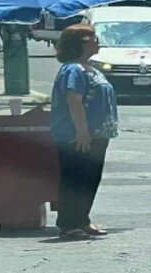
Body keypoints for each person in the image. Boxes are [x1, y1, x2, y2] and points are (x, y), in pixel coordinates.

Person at [51, 24, 119, 239]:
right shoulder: (73, 69)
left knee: (90, 179)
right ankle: (68, 223)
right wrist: (81, 131)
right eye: (92, 37)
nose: (97, 40)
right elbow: (74, 99)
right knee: (75, 179)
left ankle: (82, 220)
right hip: (78, 136)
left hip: (98, 135)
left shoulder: (91, 68)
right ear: (80, 43)